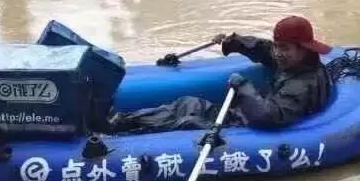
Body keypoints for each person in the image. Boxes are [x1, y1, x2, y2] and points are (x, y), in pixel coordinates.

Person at [107, 16, 332, 133]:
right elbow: (263, 49)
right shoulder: (293, 62)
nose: (278, 53)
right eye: (277, 46)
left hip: (243, 126)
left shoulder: (302, 84)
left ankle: (118, 131)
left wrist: (244, 88)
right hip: (240, 114)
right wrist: (235, 42)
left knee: (188, 121)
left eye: (285, 48)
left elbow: (268, 118)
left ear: (303, 49)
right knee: (188, 103)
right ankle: (119, 121)